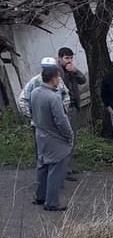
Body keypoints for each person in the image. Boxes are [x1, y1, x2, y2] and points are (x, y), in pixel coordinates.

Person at [29, 62, 74, 211]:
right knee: (55, 169)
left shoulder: (35, 92)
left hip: (39, 133)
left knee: (42, 166)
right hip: (54, 137)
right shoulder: (53, 97)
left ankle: (39, 196)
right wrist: (69, 136)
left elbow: (31, 111)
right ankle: (52, 202)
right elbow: (61, 121)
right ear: (54, 78)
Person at [17, 59, 70, 167]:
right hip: (40, 124)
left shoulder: (58, 80)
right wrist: (32, 115)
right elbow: (22, 100)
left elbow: (66, 95)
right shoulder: (34, 82)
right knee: (41, 152)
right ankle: (43, 175)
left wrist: (63, 110)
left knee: (58, 150)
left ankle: (61, 172)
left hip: (56, 122)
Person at [57, 47, 87, 182]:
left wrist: (75, 71)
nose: (69, 61)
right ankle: (64, 170)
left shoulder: (71, 70)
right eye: (66, 58)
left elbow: (83, 80)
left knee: (72, 138)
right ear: (60, 58)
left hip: (74, 106)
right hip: (64, 108)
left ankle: (69, 167)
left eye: (71, 58)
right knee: (66, 139)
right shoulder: (57, 71)